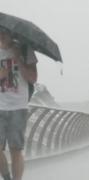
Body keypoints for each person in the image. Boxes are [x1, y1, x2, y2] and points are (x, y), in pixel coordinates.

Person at [0, 30, 37, 180]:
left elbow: (33, 78)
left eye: (4, 32)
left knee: (16, 149)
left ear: (11, 32)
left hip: (18, 107)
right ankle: (7, 177)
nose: (1, 35)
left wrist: (18, 59)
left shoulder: (25, 49)